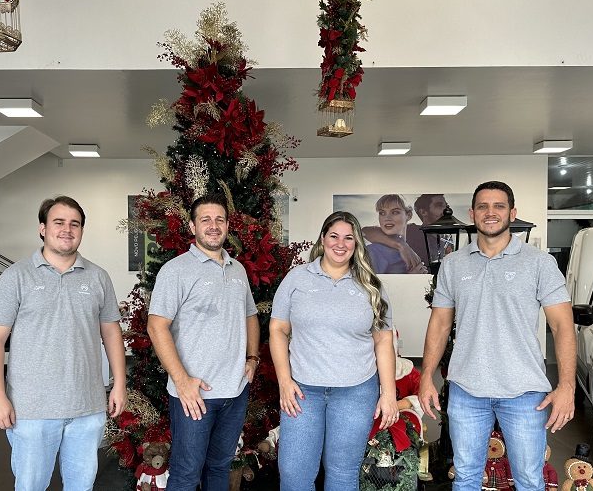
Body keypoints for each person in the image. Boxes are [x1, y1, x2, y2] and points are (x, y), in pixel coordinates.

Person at [417, 181, 576, 491]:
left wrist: (567, 386)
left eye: (499, 206)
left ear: (512, 213)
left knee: (529, 480)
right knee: (465, 478)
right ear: (472, 213)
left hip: (525, 392)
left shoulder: (539, 262)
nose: (490, 212)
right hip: (466, 390)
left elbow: (563, 327)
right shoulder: (452, 264)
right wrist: (426, 377)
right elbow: (439, 324)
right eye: (483, 206)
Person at [0, 196, 127, 491]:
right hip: (31, 410)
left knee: (81, 487)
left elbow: (112, 333)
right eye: (58, 222)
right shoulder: (16, 277)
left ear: (82, 230)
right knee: (31, 486)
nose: (67, 229)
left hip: (87, 408)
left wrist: (119, 384)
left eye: (75, 224)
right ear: (43, 228)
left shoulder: (98, 277)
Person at [270, 211, 399, 491]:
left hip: (356, 392)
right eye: (334, 236)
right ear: (323, 239)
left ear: (357, 243)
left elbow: (383, 341)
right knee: (294, 475)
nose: (341, 244)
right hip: (302, 391)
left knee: (342, 474)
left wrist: (388, 394)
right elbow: (278, 330)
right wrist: (284, 381)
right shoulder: (297, 278)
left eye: (348, 238)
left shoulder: (372, 286)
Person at [147, 194, 259, 491]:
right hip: (194, 395)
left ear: (227, 226)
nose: (213, 225)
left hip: (235, 391)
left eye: (219, 219)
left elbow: (250, 315)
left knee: (220, 468)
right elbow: (156, 326)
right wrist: (182, 381)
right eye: (205, 219)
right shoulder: (176, 270)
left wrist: (252, 358)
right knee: (186, 474)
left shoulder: (238, 270)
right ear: (192, 226)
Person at [362, 194, 428, 274]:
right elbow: (367, 282)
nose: (387, 218)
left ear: (409, 215)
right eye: (382, 213)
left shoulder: (416, 245)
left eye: (395, 212)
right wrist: (410, 278)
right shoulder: (374, 251)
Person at [404, 193, 451, 265]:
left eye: (446, 206)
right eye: (439, 205)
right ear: (423, 212)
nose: (446, 210)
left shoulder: (448, 238)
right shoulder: (411, 232)